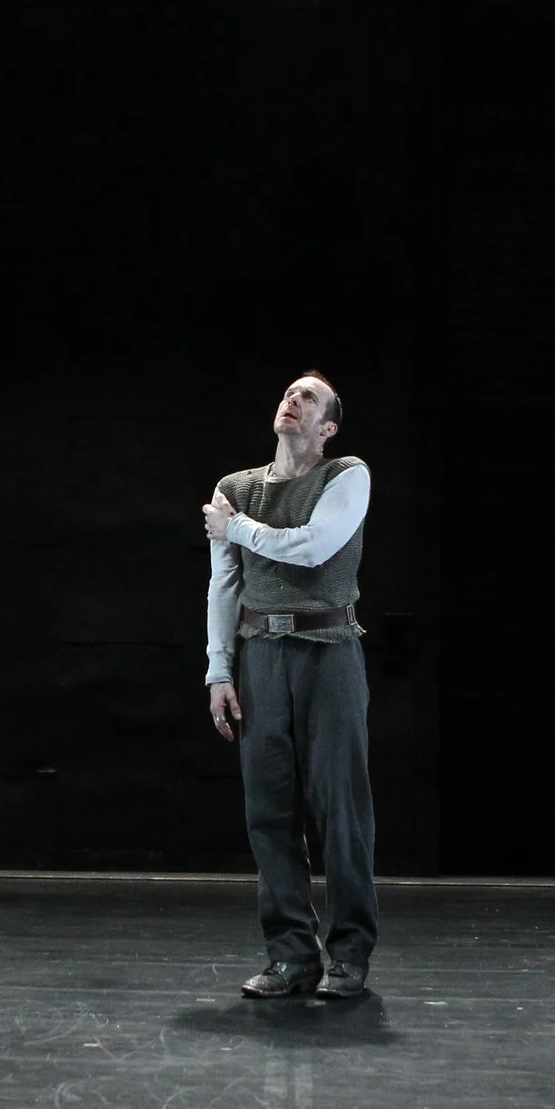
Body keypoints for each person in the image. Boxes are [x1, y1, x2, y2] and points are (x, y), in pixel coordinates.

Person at [202, 372, 377, 1000]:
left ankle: (350, 953)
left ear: (327, 427)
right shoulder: (236, 488)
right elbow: (225, 584)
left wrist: (237, 528)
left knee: (340, 807)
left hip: (328, 650)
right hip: (260, 654)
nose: (292, 400)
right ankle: (290, 957)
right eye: (288, 393)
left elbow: (312, 547)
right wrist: (219, 669)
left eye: (308, 398)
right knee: (269, 809)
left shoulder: (345, 475)